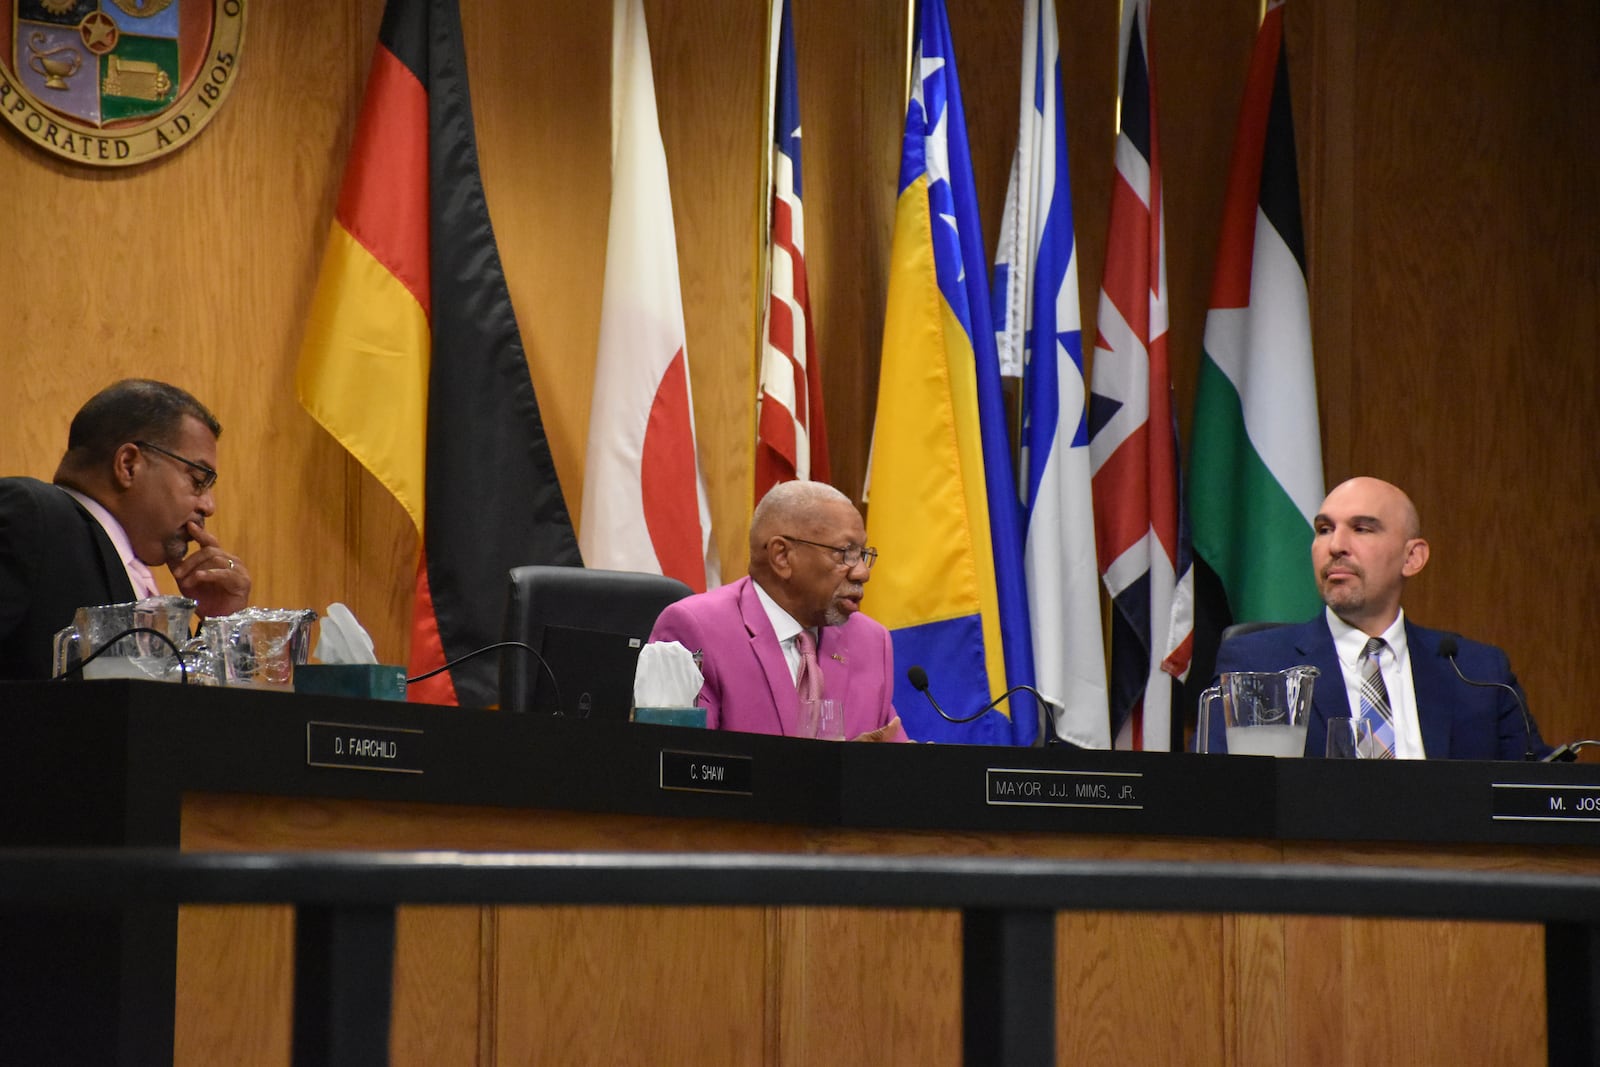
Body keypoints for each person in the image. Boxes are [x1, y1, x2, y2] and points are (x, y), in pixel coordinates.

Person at [1207, 476, 1548, 759]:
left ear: (1412, 558)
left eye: (1362, 529)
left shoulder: (1478, 673)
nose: (1336, 545)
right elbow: (1228, 793)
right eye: (1324, 529)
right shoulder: (1259, 664)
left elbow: (1537, 794)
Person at [0, 379, 252, 681]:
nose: (208, 506)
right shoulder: (33, 516)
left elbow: (183, 716)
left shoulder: (140, 576)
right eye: (197, 480)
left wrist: (220, 624)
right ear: (129, 464)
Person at [648, 480, 906, 741]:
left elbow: (891, 755)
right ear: (782, 556)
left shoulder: (871, 642)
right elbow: (683, 765)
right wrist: (837, 773)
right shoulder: (695, 629)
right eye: (845, 553)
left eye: (862, 554)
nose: (863, 572)